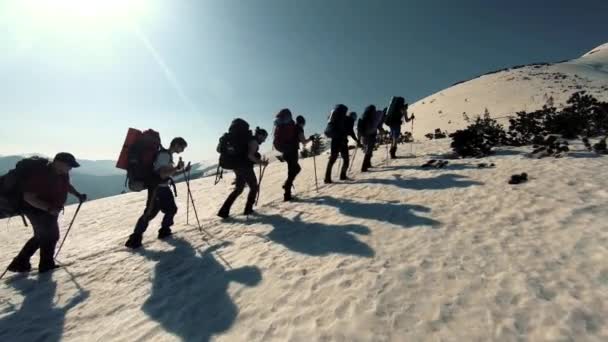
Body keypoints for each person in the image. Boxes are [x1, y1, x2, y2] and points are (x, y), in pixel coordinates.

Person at [7, 153, 87, 273]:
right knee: (50, 236)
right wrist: (49, 209)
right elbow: (28, 197)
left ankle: (20, 263)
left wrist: (77, 194)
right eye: (69, 165)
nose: (70, 168)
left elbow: (66, 186)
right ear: (59, 162)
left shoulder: (61, 173)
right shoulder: (42, 174)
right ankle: (45, 265)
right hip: (36, 209)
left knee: (42, 236)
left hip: (49, 210)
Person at [125, 137, 190, 249]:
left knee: (171, 209)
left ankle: (164, 231)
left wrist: (183, 170)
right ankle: (135, 239)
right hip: (157, 188)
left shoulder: (168, 155)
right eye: (182, 147)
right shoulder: (164, 155)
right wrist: (176, 168)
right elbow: (162, 173)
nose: (182, 150)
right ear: (176, 145)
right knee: (150, 213)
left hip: (163, 187)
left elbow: (170, 174)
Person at [218, 127, 269, 218]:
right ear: (260, 135)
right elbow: (250, 155)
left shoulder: (248, 139)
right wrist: (261, 162)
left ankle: (223, 211)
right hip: (245, 167)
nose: (264, 140)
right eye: (264, 137)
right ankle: (248, 209)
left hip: (237, 166)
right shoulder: (253, 141)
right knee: (254, 187)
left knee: (238, 189)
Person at [358, 105, 380, 172]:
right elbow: (376, 125)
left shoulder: (362, 117)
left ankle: (368, 164)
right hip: (371, 135)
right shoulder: (373, 116)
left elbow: (359, 129)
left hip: (364, 136)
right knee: (369, 151)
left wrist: (358, 139)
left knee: (368, 150)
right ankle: (364, 167)